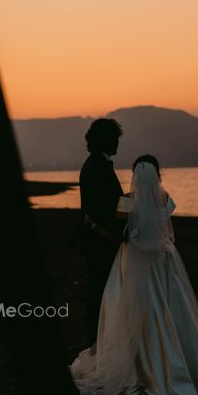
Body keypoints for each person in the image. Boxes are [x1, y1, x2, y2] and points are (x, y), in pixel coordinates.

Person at [70, 154, 198, 395]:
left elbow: (122, 234)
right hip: (164, 259)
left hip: (134, 259)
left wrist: (94, 226)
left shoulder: (127, 201)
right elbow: (165, 228)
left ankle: (141, 364)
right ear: (157, 175)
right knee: (171, 307)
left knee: (131, 308)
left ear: (134, 176)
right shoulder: (165, 198)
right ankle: (178, 365)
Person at [79, 118, 125, 344]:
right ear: (107, 140)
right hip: (100, 241)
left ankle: (100, 341)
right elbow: (105, 207)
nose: (118, 143)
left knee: (101, 291)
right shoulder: (97, 166)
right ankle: (97, 343)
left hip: (98, 239)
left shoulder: (95, 163)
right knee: (100, 292)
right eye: (115, 138)